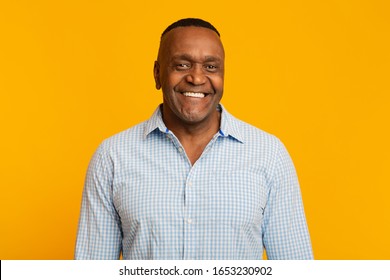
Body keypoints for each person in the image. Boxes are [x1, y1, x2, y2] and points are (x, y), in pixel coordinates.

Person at [75, 18, 313, 260]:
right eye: (182, 65)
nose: (197, 78)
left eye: (211, 67)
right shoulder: (112, 157)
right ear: (158, 74)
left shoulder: (269, 154)